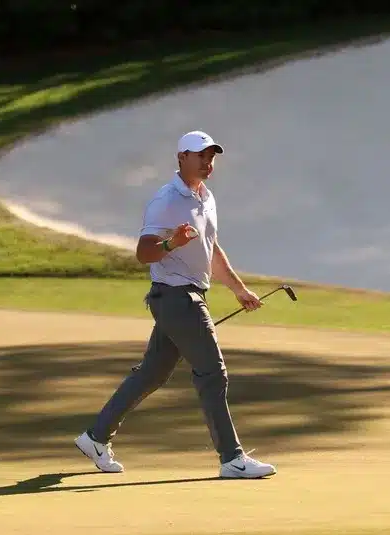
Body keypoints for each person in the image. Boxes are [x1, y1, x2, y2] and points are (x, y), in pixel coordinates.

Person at [74, 130, 277, 479]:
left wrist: (239, 289)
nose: (208, 162)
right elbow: (143, 253)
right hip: (176, 297)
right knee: (212, 373)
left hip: (188, 294)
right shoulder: (166, 201)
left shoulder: (206, 197)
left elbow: (211, 250)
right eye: (201, 155)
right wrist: (172, 245)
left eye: (211, 156)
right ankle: (232, 458)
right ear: (181, 158)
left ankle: (96, 437)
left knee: (153, 373)